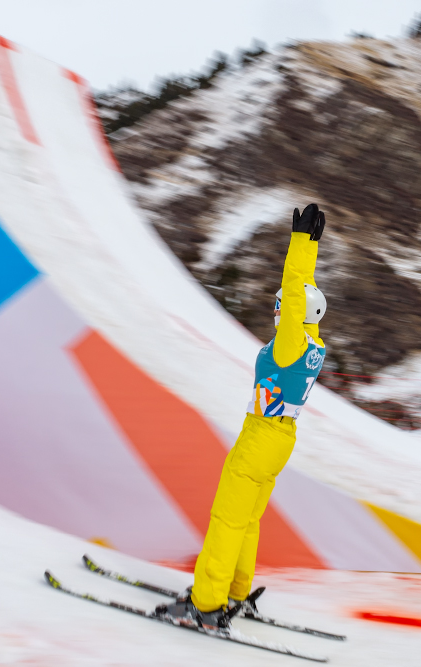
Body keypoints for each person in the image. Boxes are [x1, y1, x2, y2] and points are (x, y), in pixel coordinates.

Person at [158, 203, 328, 629]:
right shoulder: (312, 343)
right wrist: (309, 247)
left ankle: (207, 603)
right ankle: (235, 593)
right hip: (280, 439)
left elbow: (295, 292)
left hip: (261, 436)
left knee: (226, 519)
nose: (276, 310)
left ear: (293, 314)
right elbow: (303, 296)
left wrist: (298, 245)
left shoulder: (290, 343)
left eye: (281, 306)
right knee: (247, 519)